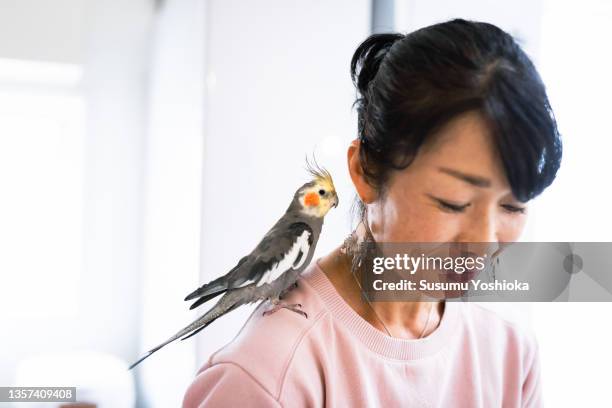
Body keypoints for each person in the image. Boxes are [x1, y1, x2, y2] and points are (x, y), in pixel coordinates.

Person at [183, 18, 561, 407]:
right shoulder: (268, 378)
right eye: (453, 202)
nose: (483, 242)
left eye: (512, 206)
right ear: (365, 170)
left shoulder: (510, 357)